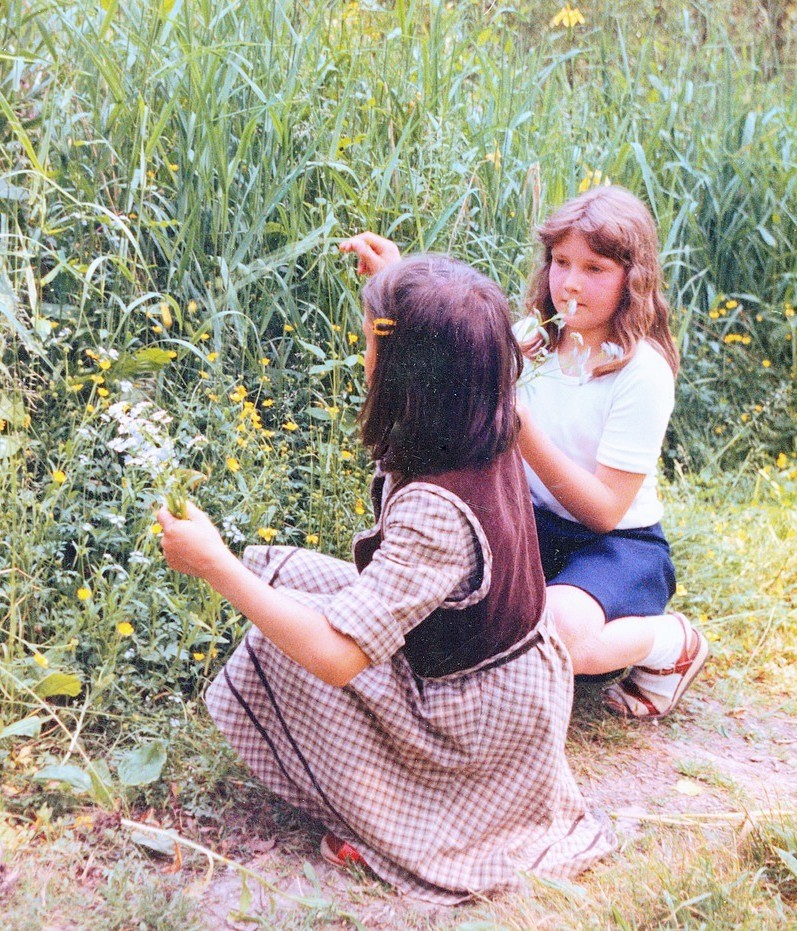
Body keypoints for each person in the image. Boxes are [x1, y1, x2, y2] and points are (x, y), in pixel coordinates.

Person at [158, 251, 615, 904]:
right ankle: (401, 788)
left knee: (276, 642)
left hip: (473, 712)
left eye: (374, 335)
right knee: (277, 572)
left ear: (409, 367)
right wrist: (408, 280)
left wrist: (212, 565)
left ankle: (407, 825)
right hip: (498, 659)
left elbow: (339, 657)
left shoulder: (437, 508)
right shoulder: (483, 404)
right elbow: (466, 336)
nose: (364, 348)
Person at [513, 185, 709, 720]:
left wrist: (523, 429)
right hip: (535, 527)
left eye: (595, 268)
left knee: (554, 635)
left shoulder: (640, 369)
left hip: (618, 546)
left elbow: (603, 512)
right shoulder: (532, 338)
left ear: (632, 279)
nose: (570, 283)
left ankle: (670, 642)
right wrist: (395, 283)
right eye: (560, 262)